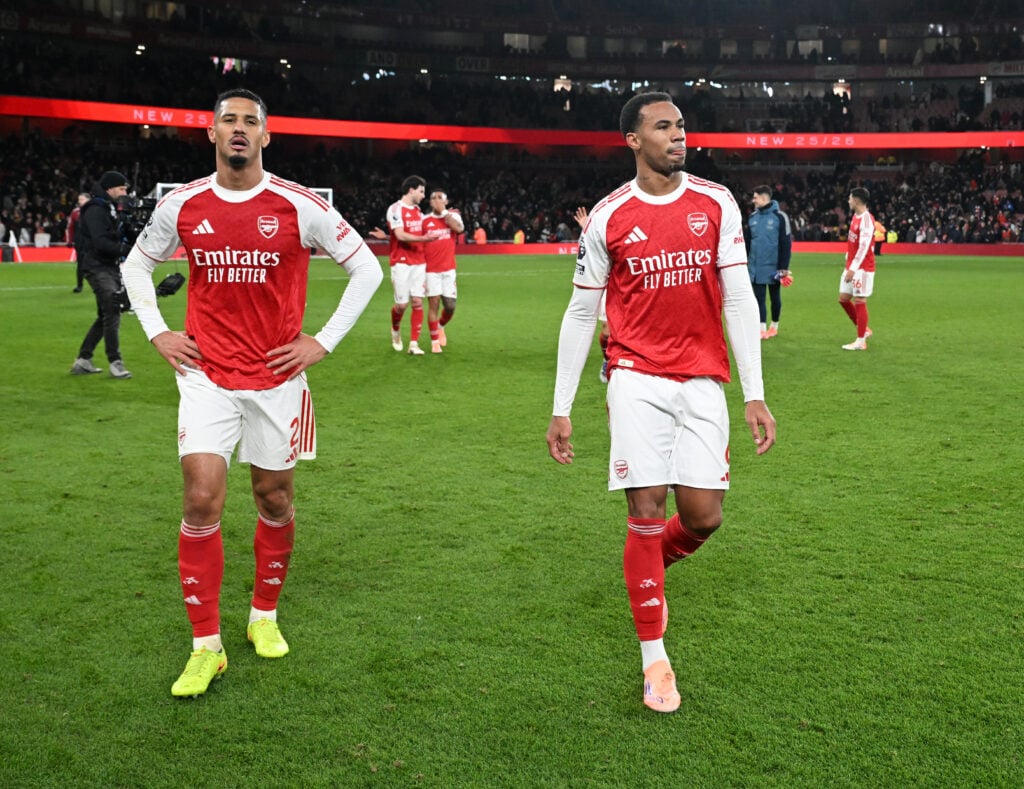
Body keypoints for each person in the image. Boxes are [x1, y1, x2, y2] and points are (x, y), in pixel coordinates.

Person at [120, 88, 383, 698]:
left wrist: (323, 341)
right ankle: (205, 645)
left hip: (277, 380)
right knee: (201, 501)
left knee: (273, 498)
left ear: (266, 136)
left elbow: (367, 266)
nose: (239, 130)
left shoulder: (299, 205)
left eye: (250, 123)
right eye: (228, 121)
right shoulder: (182, 205)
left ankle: (263, 614)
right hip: (206, 376)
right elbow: (137, 266)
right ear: (212, 134)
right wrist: (158, 331)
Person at [545, 92, 775, 714]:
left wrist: (754, 393)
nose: (679, 135)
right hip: (635, 376)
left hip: (702, 379)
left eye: (680, 125)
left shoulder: (716, 202)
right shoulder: (609, 217)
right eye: (664, 126)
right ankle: (655, 660)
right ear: (634, 140)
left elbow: (737, 299)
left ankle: (651, 566)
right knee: (644, 508)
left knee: (703, 517)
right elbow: (580, 311)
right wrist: (562, 406)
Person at [70, 171, 133, 379]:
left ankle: (83, 359)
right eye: (122, 189)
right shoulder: (97, 209)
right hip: (97, 266)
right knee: (113, 309)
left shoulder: (108, 208)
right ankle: (115, 362)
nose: (125, 193)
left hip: (106, 266)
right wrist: (125, 248)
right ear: (110, 188)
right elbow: (101, 242)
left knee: (105, 315)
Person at [374, 176, 436, 355]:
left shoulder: (418, 211)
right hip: (400, 263)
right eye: (421, 191)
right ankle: (395, 329)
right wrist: (423, 238)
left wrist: (387, 237)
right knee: (401, 305)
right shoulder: (395, 209)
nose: (424, 196)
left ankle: (414, 344)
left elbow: (407, 234)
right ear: (411, 190)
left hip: (419, 262)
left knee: (417, 301)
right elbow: (400, 235)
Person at [746, 185, 792, 339]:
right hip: (755, 267)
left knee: (775, 297)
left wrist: (784, 268)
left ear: (764, 198)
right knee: (758, 298)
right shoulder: (752, 218)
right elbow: (747, 243)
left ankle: (774, 325)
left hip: (774, 266)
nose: (753, 200)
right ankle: (761, 328)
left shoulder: (780, 217)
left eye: (755, 197)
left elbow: (786, 244)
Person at [421, 189, 463, 354]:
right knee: (434, 305)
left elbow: (458, 229)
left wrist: (444, 213)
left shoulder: (453, 217)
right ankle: (434, 342)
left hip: (448, 270)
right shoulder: (424, 221)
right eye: (433, 198)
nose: (436, 200)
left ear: (446, 202)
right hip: (430, 270)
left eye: (440, 198)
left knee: (450, 306)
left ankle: (440, 327)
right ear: (430, 203)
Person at [574, 205, 611, 383]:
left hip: (633, 284)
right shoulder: (608, 220)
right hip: (609, 284)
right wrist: (586, 227)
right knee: (608, 331)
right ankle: (607, 360)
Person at [839, 187, 876, 350]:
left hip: (862, 268)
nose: (848, 200)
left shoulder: (867, 220)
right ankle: (864, 329)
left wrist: (853, 268)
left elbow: (864, 247)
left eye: (850, 198)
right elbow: (853, 243)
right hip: (851, 265)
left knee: (860, 300)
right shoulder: (855, 216)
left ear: (856, 200)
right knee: (843, 298)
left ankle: (860, 341)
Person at [66, 192, 90, 292]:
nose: (79, 202)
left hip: (92, 241)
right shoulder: (75, 212)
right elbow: (70, 227)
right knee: (80, 264)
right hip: (80, 241)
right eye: (79, 200)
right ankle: (79, 285)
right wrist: (69, 241)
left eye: (82, 199)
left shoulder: (94, 211)